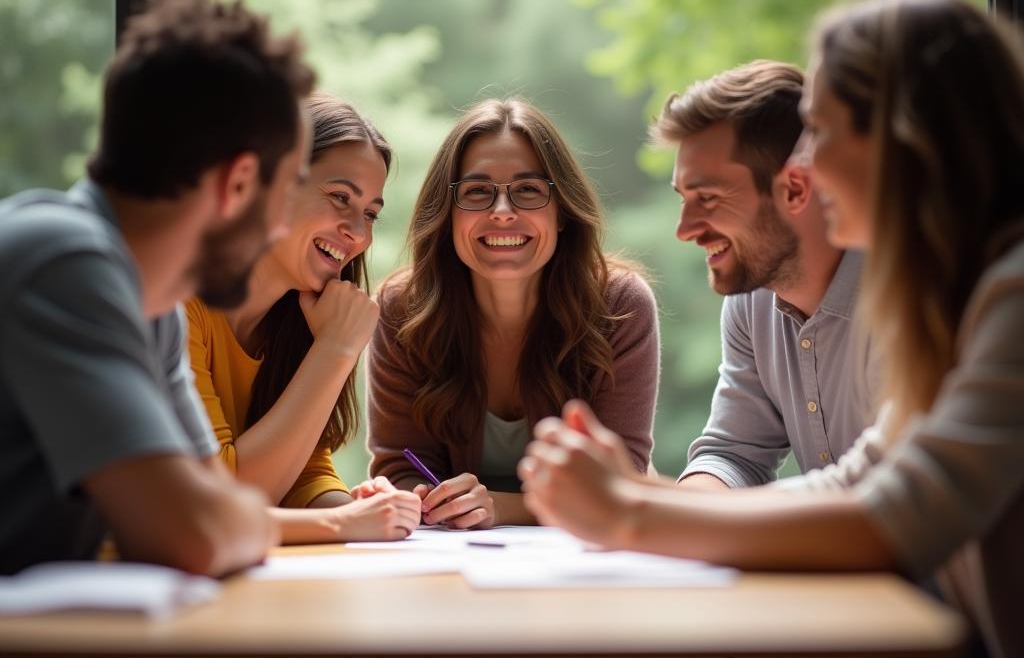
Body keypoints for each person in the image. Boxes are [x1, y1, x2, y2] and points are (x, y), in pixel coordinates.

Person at [520, 0, 1024, 658]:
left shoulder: (1011, 293)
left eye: (827, 130)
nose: (810, 167)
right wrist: (639, 494)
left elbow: (900, 517)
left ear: (905, 139)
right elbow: (859, 480)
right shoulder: (951, 296)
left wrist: (630, 513)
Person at [0, 0, 317, 575]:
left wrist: (223, 515)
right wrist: (225, 516)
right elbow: (194, 534)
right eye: (290, 189)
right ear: (239, 182)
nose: (281, 228)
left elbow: (213, 502)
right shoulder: (62, 261)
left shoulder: (155, 305)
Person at [367, 98, 659, 529]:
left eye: (528, 190)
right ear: (447, 215)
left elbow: (621, 479)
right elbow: (400, 468)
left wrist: (498, 508)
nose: (502, 213)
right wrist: (425, 498)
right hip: (449, 567)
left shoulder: (620, 305)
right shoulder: (400, 309)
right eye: (477, 192)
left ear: (561, 212)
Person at [186, 93, 420, 543]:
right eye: (339, 198)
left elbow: (303, 475)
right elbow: (222, 502)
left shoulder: (300, 319)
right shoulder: (179, 307)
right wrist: (335, 351)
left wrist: (365, 506)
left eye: (370, 213)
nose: (358, 233)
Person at [656, 60, 876, 489]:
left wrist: (646, 508)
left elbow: (884, 495)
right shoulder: (750, 297)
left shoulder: (905, 291)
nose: (684, 230)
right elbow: (733, 453)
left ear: (794, 188)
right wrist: (680, 505)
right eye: (684, 198)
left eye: (708, 197)